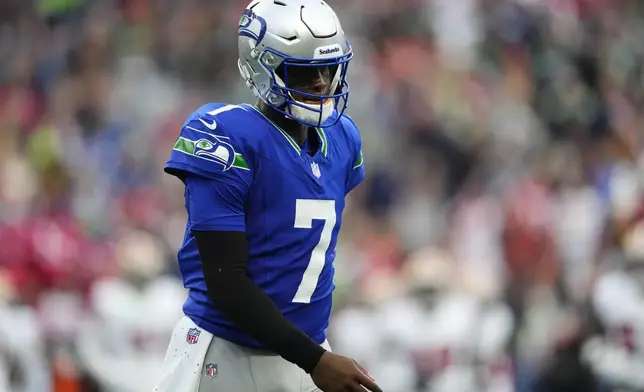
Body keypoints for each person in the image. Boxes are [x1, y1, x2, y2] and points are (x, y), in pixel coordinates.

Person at [152, 1, 381, 391]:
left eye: (328, 70)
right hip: (225, 351)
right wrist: (315, 360)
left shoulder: (343, 138)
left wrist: (314, 356)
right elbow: (226, 282)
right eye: (304, 73)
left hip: (304, 352)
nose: (321, 84)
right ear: (263, 67)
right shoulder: (225, 134)